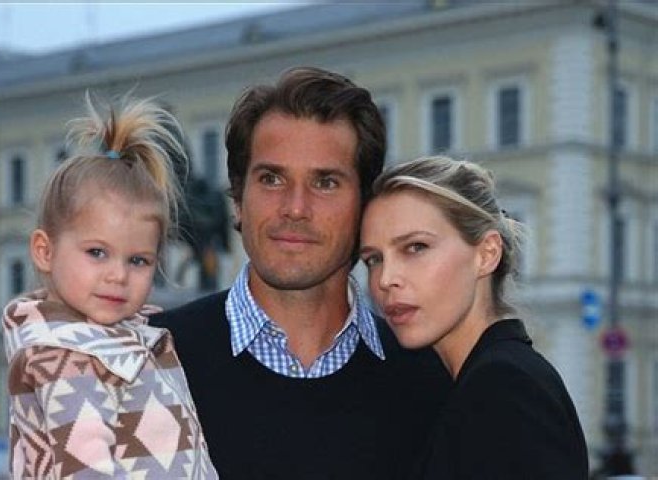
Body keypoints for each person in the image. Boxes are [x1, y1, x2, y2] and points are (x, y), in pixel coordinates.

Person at [151, 66, 451, 479]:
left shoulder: (430, 379)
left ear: (365, 206)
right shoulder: (153, 361)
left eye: (325, 182)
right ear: (238, 200)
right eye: (272, 179)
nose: (295, 207)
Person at [2, 94, 218, 479]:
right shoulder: (65, 358)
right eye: (97, 253)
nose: (118, 275)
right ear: (44, 251)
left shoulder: (122, 339)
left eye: (138, 260)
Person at [359, 155, 590, 479]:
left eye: (415, 247)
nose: (385, 279)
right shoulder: (475, 381)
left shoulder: (504, 386)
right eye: (374, 259)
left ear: (486, 254)